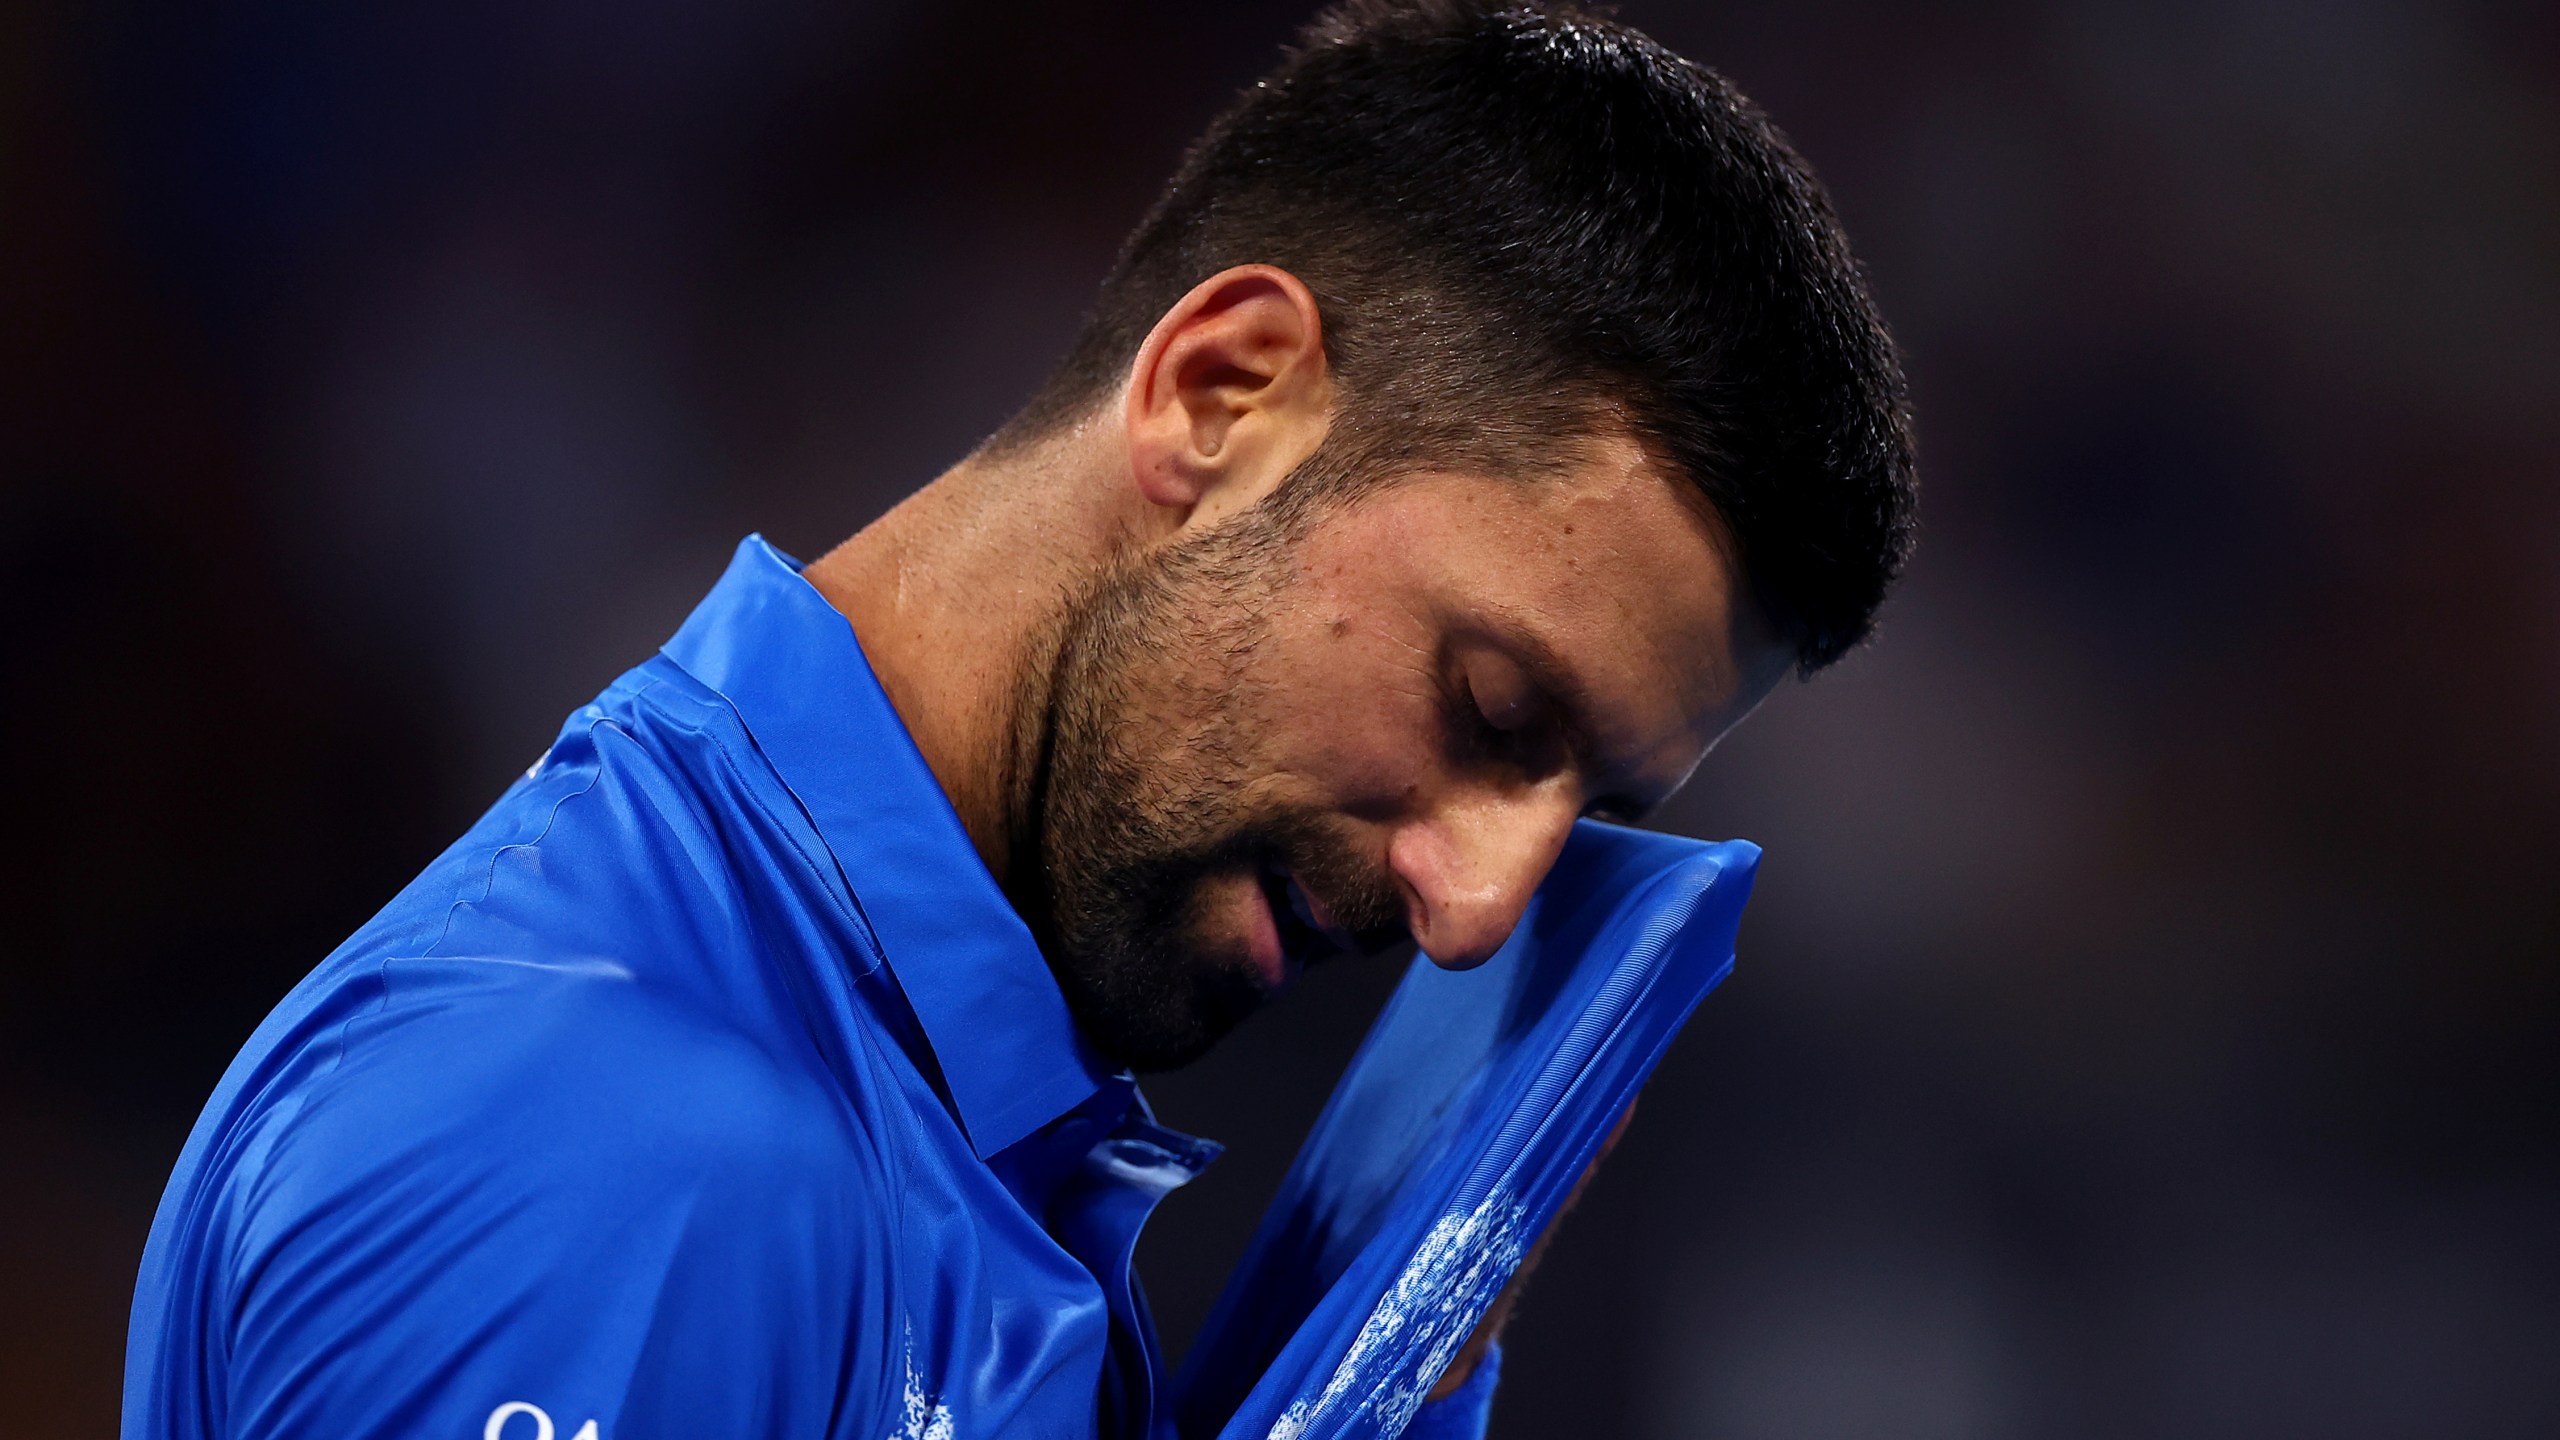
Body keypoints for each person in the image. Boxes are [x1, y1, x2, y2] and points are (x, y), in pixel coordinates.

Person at [122, 2, 1915, 1437]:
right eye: (1490, 704)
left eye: (1591, 808)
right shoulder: (620, 1159)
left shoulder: (939, 1143)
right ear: (1224, 396)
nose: (1476, 912)